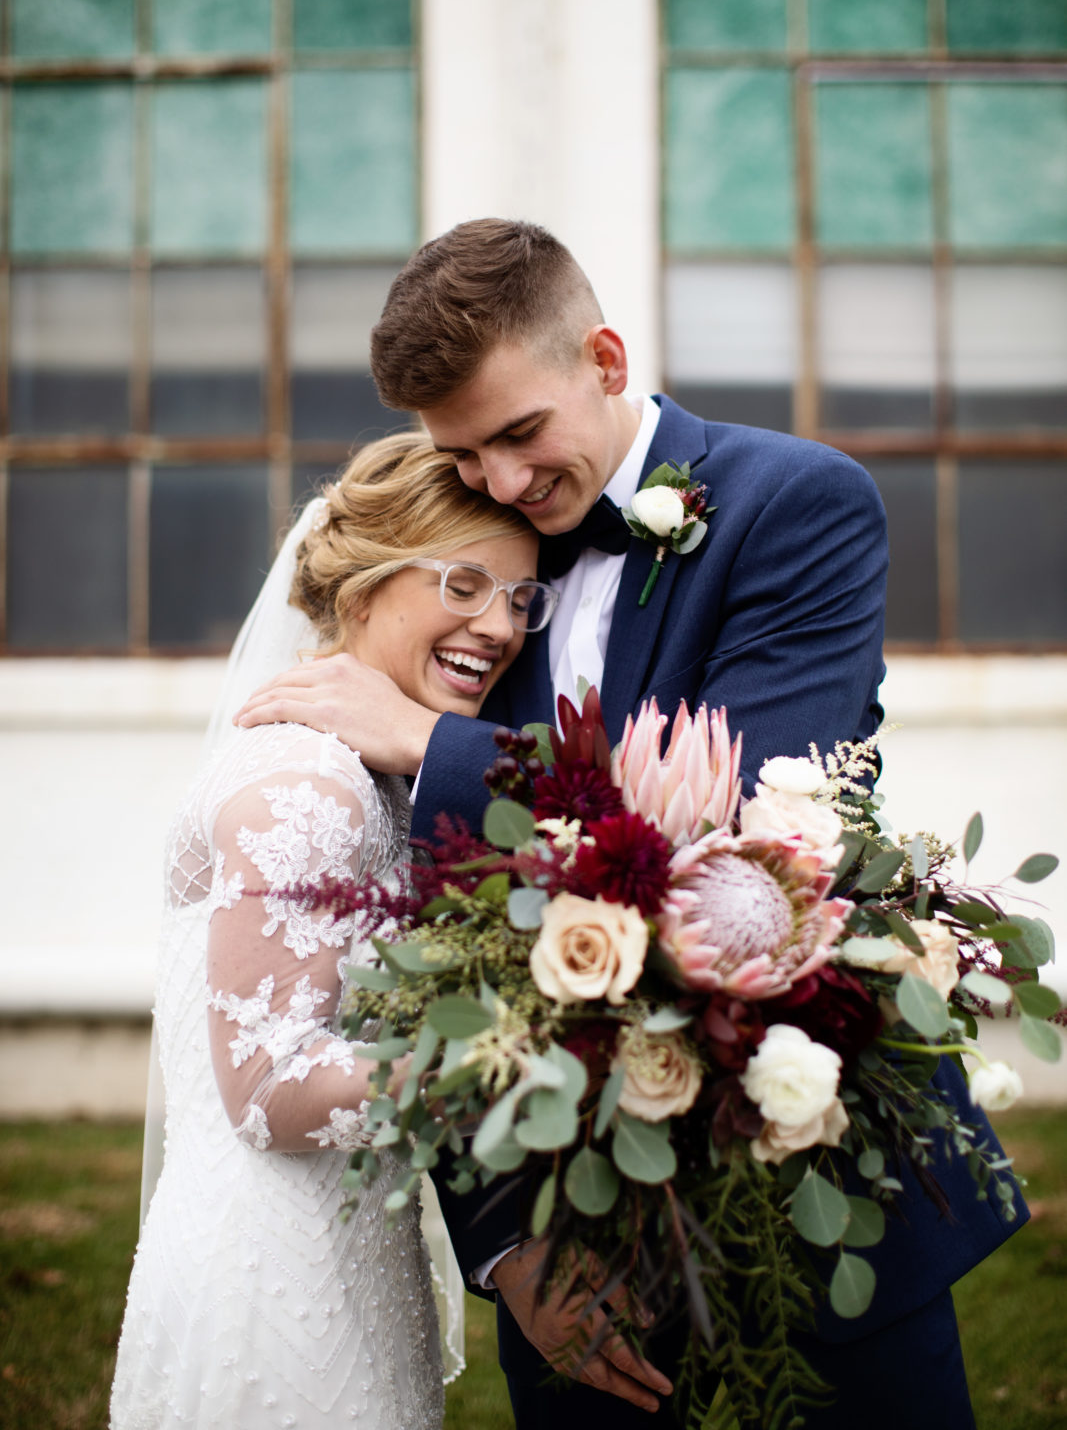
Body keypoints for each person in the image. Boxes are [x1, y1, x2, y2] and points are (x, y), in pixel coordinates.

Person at [233, 220, 1026, 1429]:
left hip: (811, 1196)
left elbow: (746, 826)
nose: (498, 483)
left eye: (517, 435)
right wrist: (505, 1252)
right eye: (463, 452)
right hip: (571, 1263)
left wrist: (427, 743)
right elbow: (417, 945)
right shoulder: (472, 573)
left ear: (603, 358)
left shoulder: (797, 504)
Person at [110, 430, 556, 1430]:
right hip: (273, 1285)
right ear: (361, 592)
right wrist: (515, 1059)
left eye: (520, 597)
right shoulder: (308, 783)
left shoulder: (374, 773)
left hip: (343, 1262)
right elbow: (268, 1087)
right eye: (465, 584)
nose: (499, 626)